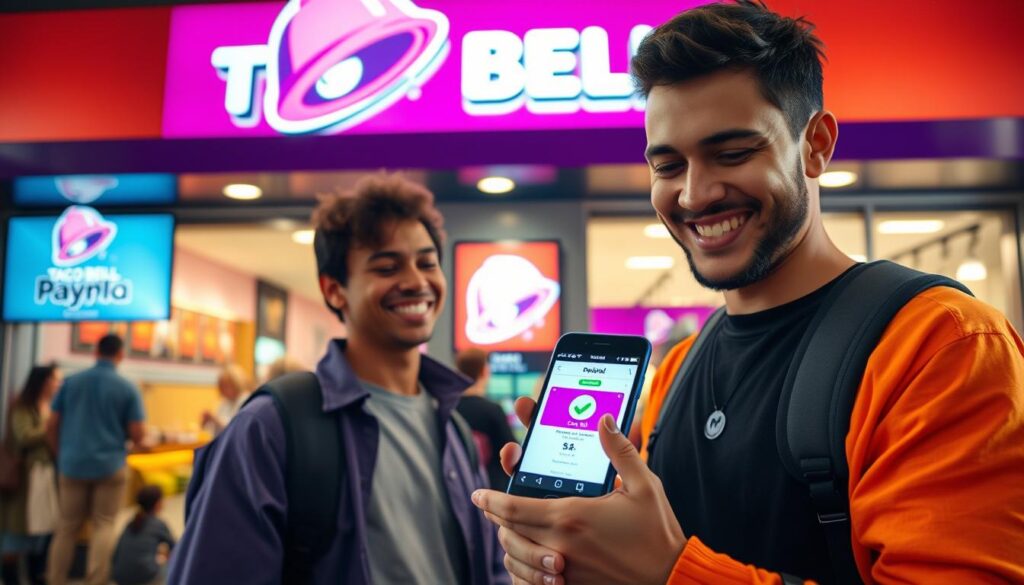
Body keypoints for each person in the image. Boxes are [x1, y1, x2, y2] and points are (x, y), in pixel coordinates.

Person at [472, 2, 1024, 583]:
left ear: (815, 145)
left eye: (732, 154)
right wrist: (578, 556)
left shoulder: (943, 347)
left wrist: (668, 572)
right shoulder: (677, 371)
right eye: (668, 165)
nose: (694, 194)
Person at [168, 173, 509, 584]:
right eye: (386, 266)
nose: (417, 282)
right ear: (334, 290)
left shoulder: (452, 425)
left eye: (426, 262)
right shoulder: (271, 426)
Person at [47, 334, 146, 585]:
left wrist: (61, 452)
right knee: (104, 525)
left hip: (72, 465)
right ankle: (96, 580)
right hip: (109, 465)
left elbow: (52, 424)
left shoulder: (70, 383)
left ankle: (55, 579)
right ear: (120, 354)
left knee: (66, 527)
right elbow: (138, 433)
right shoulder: (127, 388)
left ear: (96, 352)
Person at [0, 364, 62, 585]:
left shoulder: (50, 406)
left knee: (42, 529)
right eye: (55, 379)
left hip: (44, 474)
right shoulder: (23, 406)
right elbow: (24, 436)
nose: (58, 384)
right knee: (18, 531)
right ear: (44, 381)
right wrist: (50, 426)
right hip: (24, 477)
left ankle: (37, 575)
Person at [454, 348, 517, 490]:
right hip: (490, 493)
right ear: (484, 371)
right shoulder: (492, 411)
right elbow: (512, 452)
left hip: (458, 490)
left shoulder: (448, 409)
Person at [111, 485, 175, 585]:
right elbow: (177, 548)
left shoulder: (131, 523)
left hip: (120, 576)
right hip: (144, 577)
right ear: (157, 503)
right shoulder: (158, 524)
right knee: (168, 566)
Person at [199, 364, 251, 436]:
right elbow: (210, 430)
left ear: (236, 383)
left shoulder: (245, 400)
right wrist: (206, 422)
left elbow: (235, 429)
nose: (222, 390)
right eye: (221, 386)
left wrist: (214, 419)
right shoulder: (224, 402)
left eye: (225, 386)